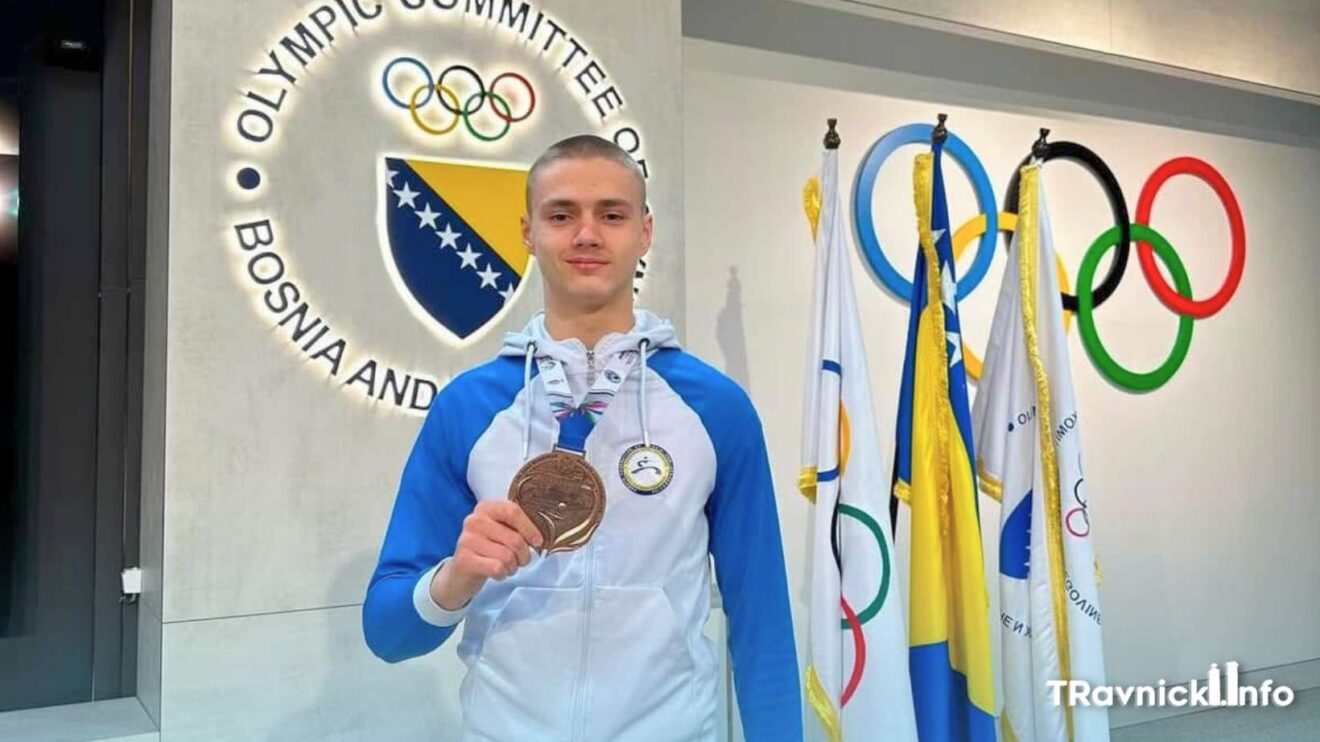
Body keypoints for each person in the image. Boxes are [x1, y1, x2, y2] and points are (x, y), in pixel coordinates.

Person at [363, 134, 802, 741]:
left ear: (644, 232)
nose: (587, 234)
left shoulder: (716, 408)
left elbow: (762, 623)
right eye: (562, 215)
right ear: (528, 232)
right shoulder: (468, 407)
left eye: (612, 215)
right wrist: (457, 576)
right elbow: (386, 634)